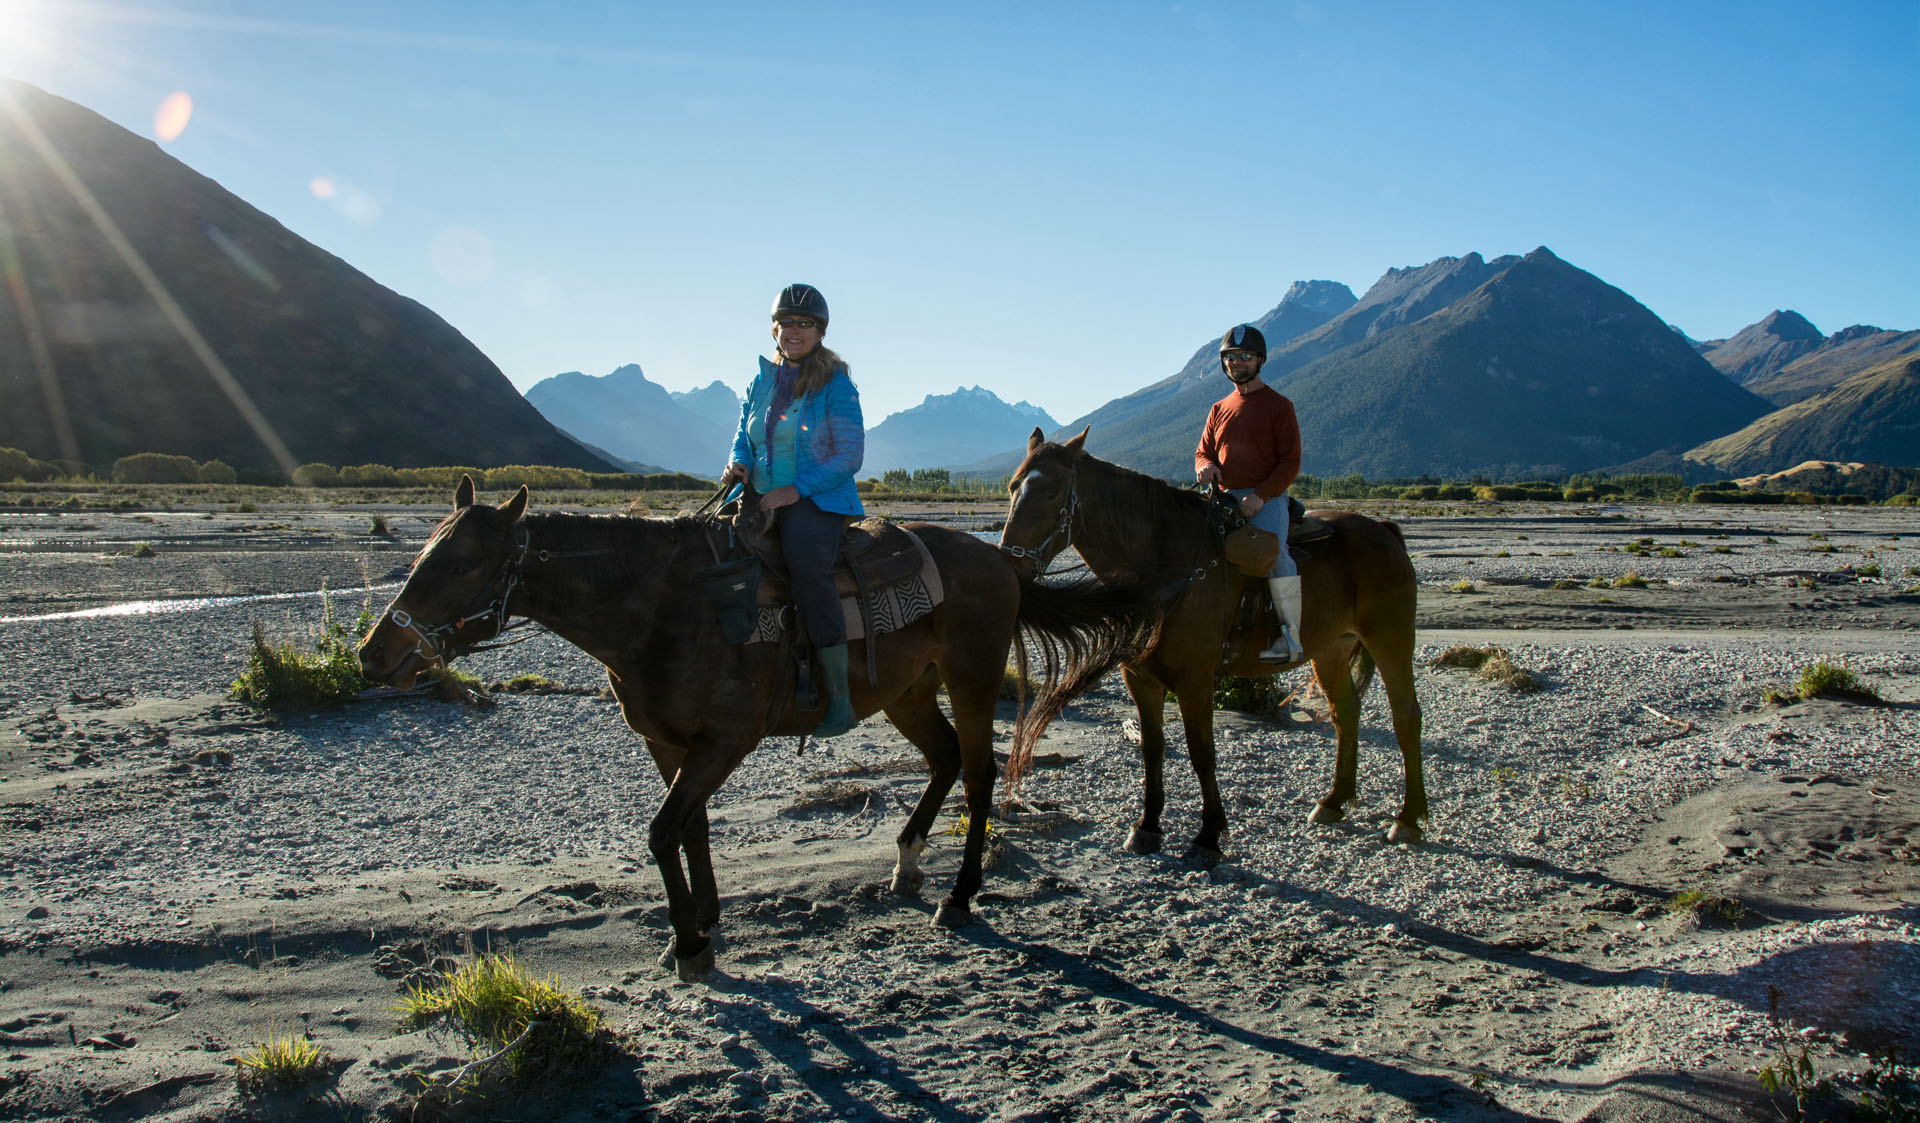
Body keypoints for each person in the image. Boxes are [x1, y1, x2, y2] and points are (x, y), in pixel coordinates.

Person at [720, 283, 866, 737]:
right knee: (703, 551)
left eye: (806, 324)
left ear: (820, 332)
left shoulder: (835, 384)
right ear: (774, 329)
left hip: (816, 499)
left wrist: (795, 490)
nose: (795, 331)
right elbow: (744, 433)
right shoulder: (761, 380)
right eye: (788, 323)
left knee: (808, 572)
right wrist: (737, 462)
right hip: (756, 492)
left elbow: (849, 455)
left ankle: (840, 702)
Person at [1193, 323, 1304, 663]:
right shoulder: (1218, 408)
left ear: (1260, 360)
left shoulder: (1279, 406)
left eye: (1243, 356)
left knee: (1274, 553)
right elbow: (1203, 451)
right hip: (1224, 498)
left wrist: (1261, 496)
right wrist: (1203, 467)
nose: (1236, 363)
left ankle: (1290, 636)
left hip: (1265, 498)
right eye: (1229, 357)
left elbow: (1290, 462)